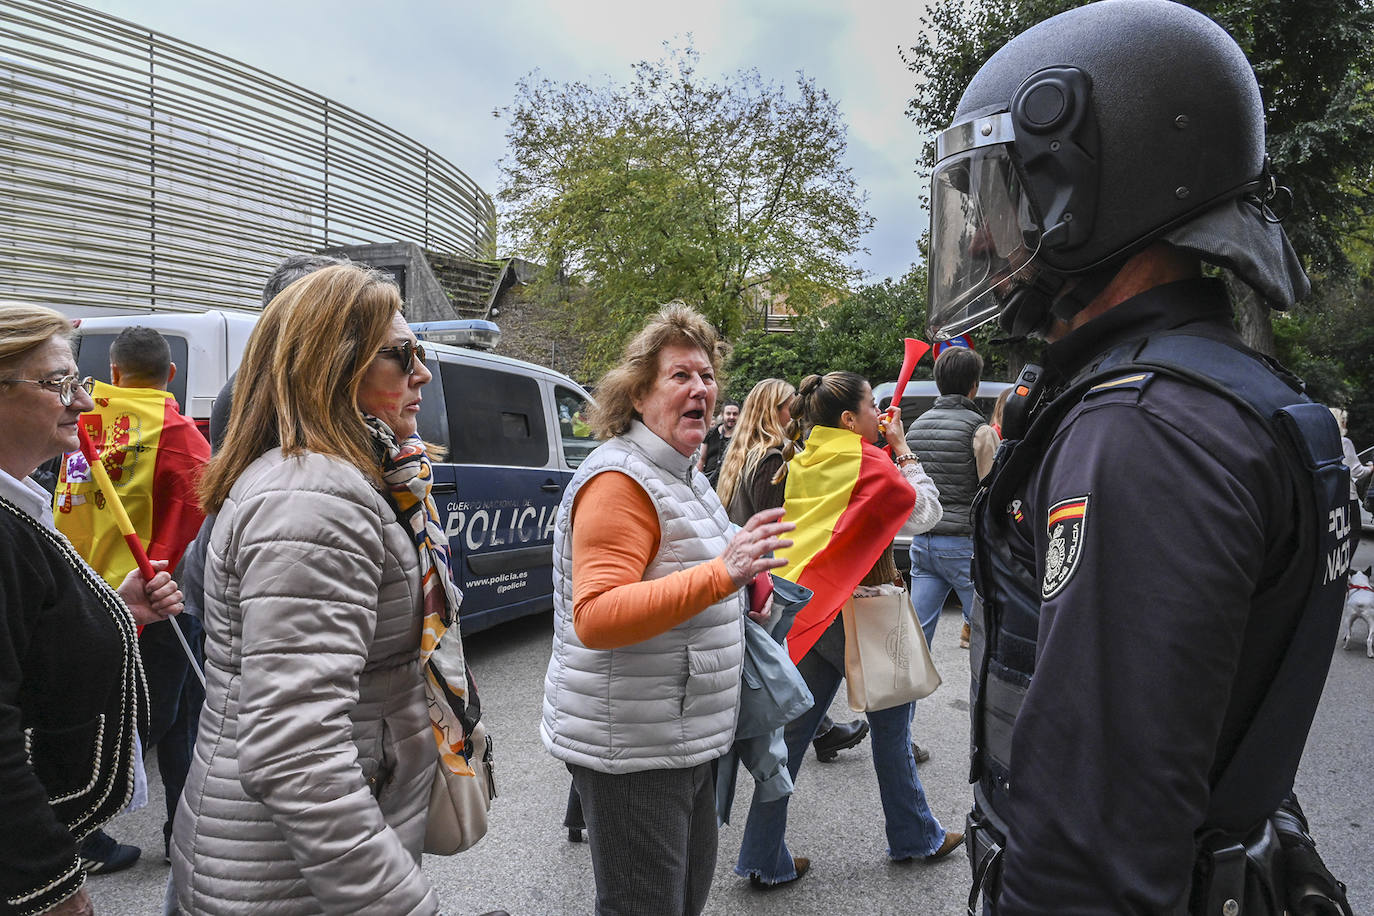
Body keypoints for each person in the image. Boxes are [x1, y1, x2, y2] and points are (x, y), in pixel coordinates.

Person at [927, 1, 1356, 911]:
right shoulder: (1214, 395)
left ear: (1082, 185)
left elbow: (1092, 852)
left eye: (1001, 196)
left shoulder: (1144, 431)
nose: (979, 239)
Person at [170, 265, 446, 914]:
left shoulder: (348, 477)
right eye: (402, 354)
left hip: (293, 859)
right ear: (333, 367)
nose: (423, 372)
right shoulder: (314, 497)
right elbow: (294, 751)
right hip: (282, 875)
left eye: (421, 352)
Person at [541, 303, 795, 916]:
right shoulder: (620, 482)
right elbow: (597, 615)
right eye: (680, 376)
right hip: (633, 746)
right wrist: (722, 575)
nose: (701, 389)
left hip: (681, 734)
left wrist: (743, 597)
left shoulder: (683, 475)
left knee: (681, 901)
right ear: (637, 395)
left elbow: (697, 576)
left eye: (707, 376)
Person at [734, 371, 961, 888]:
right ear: (848, 419)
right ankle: (915, 835)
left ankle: (764, 856)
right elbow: (925, 512)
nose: (877, 415)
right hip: (867, 607)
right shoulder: (870, 462)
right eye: (870, 407)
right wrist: (903, 448)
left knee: (790, 739)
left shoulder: (803, 457)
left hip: (813, 609)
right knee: (892, 732)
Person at [0, 302, 183, 916]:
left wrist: (116, 605)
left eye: (78, 381)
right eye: (58, 384)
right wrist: (47, 884)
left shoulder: (21, 502)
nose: (83, 402)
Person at [53, 326, 210, 869]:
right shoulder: (181, 434)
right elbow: (193, 521)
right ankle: (80, 829)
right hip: (156, 598)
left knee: (181, 715)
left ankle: (180, 831)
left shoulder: (81, 419)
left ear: (115, 372)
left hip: (82, 587)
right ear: (170, 375)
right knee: (150, 719)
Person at [717, 378, 871, 763]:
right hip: (768, 578)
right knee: (782, 667)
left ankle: (819, 731)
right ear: (775, 412)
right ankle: (813, 733)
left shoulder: (742, 454)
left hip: (747, 575)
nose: (798, 409)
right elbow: (783, 528)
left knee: (776, 667)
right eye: (790, 405)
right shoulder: (772, 459)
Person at [905, 346, 999, 650]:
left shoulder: (915, 426)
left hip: (922, 542)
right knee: (989, 633)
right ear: (974, 385)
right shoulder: (980, 430)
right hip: (963, 545)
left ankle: (902, 698)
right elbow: (991, 491)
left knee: (914, 642)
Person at [696, 399, 739, 486]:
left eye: (735, 414)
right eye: (728, 413)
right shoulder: (711, 433)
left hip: (731, 484)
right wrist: (697, 482)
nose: (731, 417)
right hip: (709, 483)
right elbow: (701, 459)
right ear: (722, 415)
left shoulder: (742, 437)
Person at [1331, 408, 1371, 501]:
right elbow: (1356, 471)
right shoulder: (1344, 442)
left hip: (1328, 496)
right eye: (1344, 420)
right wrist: (1371, 468)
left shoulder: (1317, 443)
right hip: (1347, 494)